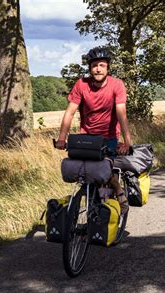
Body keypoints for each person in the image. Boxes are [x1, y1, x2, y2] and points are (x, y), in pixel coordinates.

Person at [55, 46, 132, 213]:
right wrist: (62, 138)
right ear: (90, 68)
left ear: (107, 67)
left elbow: (121, 113)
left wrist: (127, 142)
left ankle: (118, 189)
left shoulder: (117, 85)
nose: (98, 69)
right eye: (94, 65)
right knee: (82, 170)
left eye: (102, 65)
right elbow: (69, 112)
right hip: (86, 137)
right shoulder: (81, 85)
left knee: (103, 167)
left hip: (109, 136)